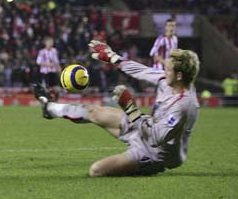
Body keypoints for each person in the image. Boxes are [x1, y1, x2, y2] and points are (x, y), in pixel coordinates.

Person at [33, 40, 200, 177]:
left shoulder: (184, 105)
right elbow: (141, 71)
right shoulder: (168, 80)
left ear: (179, 76)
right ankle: (50, 108)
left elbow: (156, 137)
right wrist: (112, 57)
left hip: (155, 153)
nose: (164, 71)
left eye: (168, 69)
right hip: (143, 126)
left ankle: (146, 168)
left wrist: (130, 108)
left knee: (96, 171)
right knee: (93, 112)